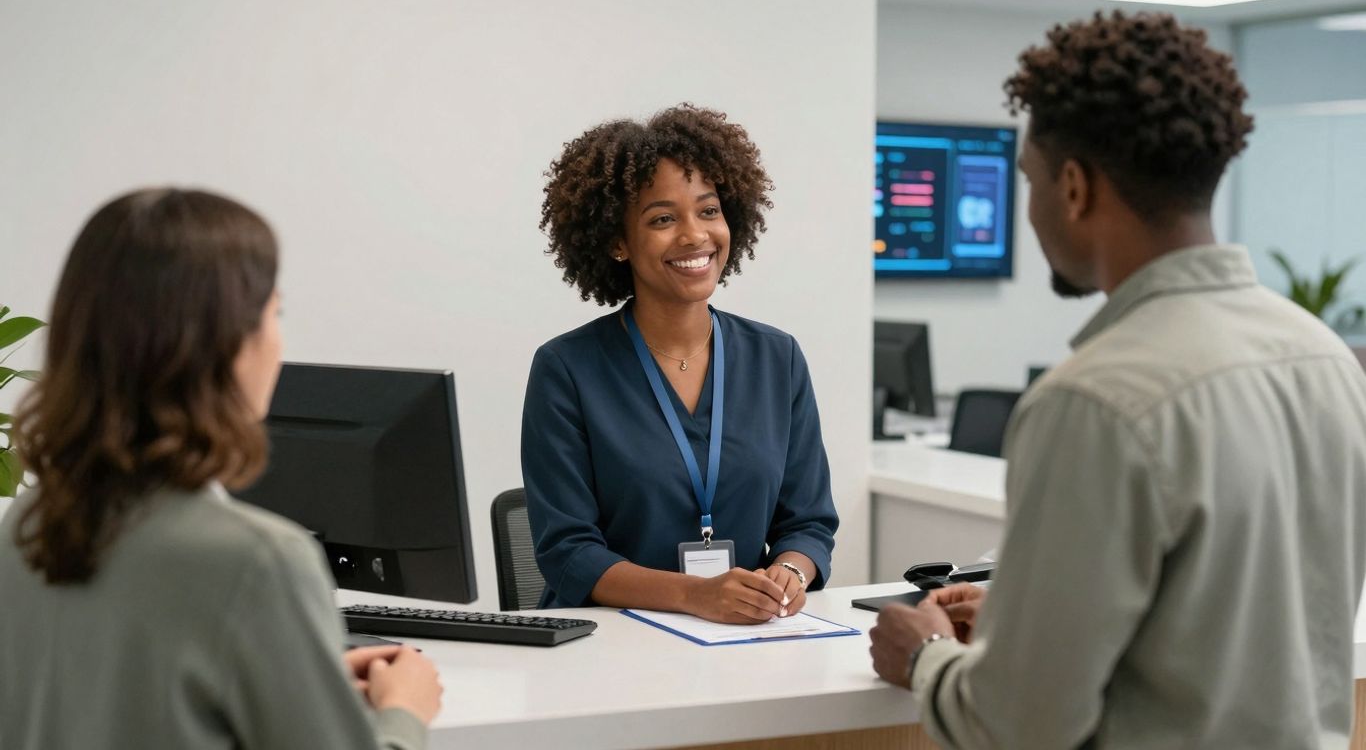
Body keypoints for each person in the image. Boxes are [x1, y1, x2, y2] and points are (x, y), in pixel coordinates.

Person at [869, 11, 1366, 748]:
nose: (1030, 212)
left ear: (1073, 188)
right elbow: (1229, 632)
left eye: (1030, 181)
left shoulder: (1095, 400)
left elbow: (1019, 726)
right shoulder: (1326, 361)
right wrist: (1022, 621)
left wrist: (926, 656)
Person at [0, 189, 443, 749]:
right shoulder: (259, 562)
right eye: (274, 313)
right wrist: (403, 710)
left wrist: (302, 683)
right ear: (226, 345)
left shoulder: (28, 525)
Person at [523, 104, 839, 623]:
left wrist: (791, 573)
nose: (695, 236)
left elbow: (807, 522)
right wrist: (696, 595)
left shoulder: (776, 358)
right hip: (607, 644)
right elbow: (569, 552)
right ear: (618, 242)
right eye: (663, 219)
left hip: (746, 635)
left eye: (709, 211)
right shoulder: (566, 368)